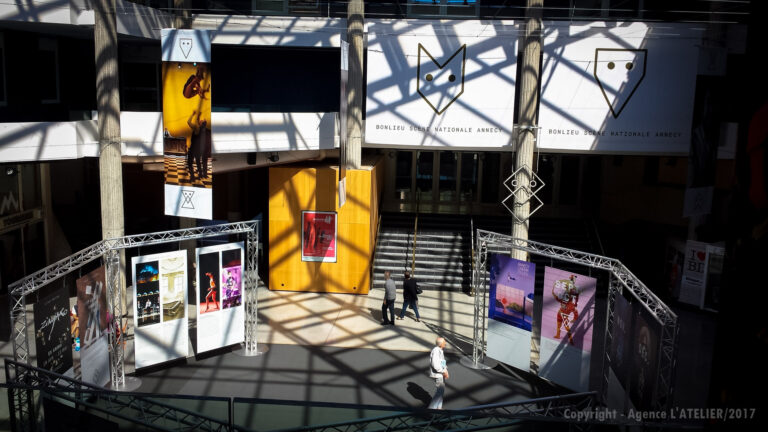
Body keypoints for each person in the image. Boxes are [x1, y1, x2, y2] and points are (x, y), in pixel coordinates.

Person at [428, 337, 449, 409]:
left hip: (441, 374)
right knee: (439, 393)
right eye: (444, 342)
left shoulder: (440, 350)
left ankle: (439, 408)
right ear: (440, 344)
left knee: (441, 392)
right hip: (438, 375)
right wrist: (444, 371)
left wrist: (445, 371)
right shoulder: (436, 351)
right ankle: (431, 409)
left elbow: (442, 362)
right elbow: (435, 365)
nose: (445, 343)